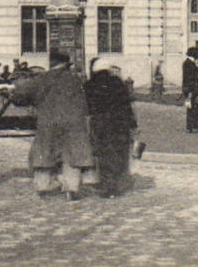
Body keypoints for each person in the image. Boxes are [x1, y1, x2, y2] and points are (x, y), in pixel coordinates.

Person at [9, 50, 95, 201]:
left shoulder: (42, 78)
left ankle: (44, 186)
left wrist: (15, 95)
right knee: (72, 155)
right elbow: (86, 101)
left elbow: (20, 97)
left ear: (51, 64)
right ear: (66, 64)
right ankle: (72, 187)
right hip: (72, 123)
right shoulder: (75, 80)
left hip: (49, 122)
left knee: (45, 152)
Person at [84, 59, 138, 197]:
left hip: (101, 124)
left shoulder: (90, 85)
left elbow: (87, 107)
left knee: (103, 154)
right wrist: (133, 124)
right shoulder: (118, 83)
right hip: (120, 124)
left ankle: (108, 186)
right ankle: (117, 183)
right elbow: (127, 105)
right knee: (119, 153)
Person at [181, 46, 198, 133]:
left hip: (192, 88)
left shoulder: (191, 63)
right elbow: (189, 78)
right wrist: (190, 91)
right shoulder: (189, 64)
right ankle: (191, 126)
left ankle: (193, 125)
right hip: (191, 89)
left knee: (195, 107)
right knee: (192, 107)